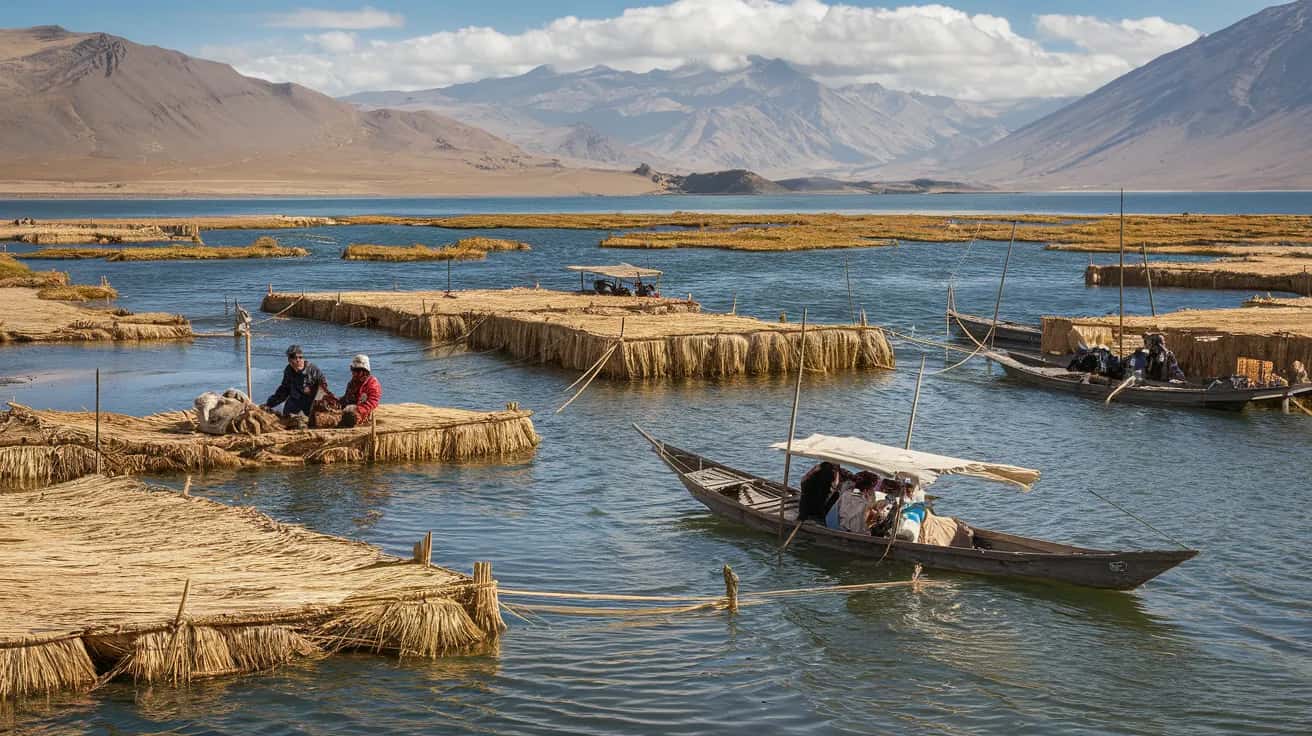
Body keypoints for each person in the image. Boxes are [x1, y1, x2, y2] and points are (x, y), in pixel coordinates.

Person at [262, 345, 328, 426]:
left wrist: (312, 390)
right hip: (295, 401)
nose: (293, 361)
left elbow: (323, 387)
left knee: (313, 422)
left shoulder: (312, 369)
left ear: (300, 358)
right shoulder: (288, 370)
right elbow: (284, 390)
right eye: (290, 358)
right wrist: (270, 404)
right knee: (287, 420)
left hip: (310, 401)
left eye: (298, 358)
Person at [338, 353, 382, 428]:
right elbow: (346, 398)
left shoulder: (373, 384)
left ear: (364, 371)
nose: (353, 373)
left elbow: (372, 403)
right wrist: (336, 401)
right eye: (353, 370)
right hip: (348, 410)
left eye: (357, 370)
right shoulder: (352, 383)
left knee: (349, 417)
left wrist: (356, 409)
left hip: (363, 414)